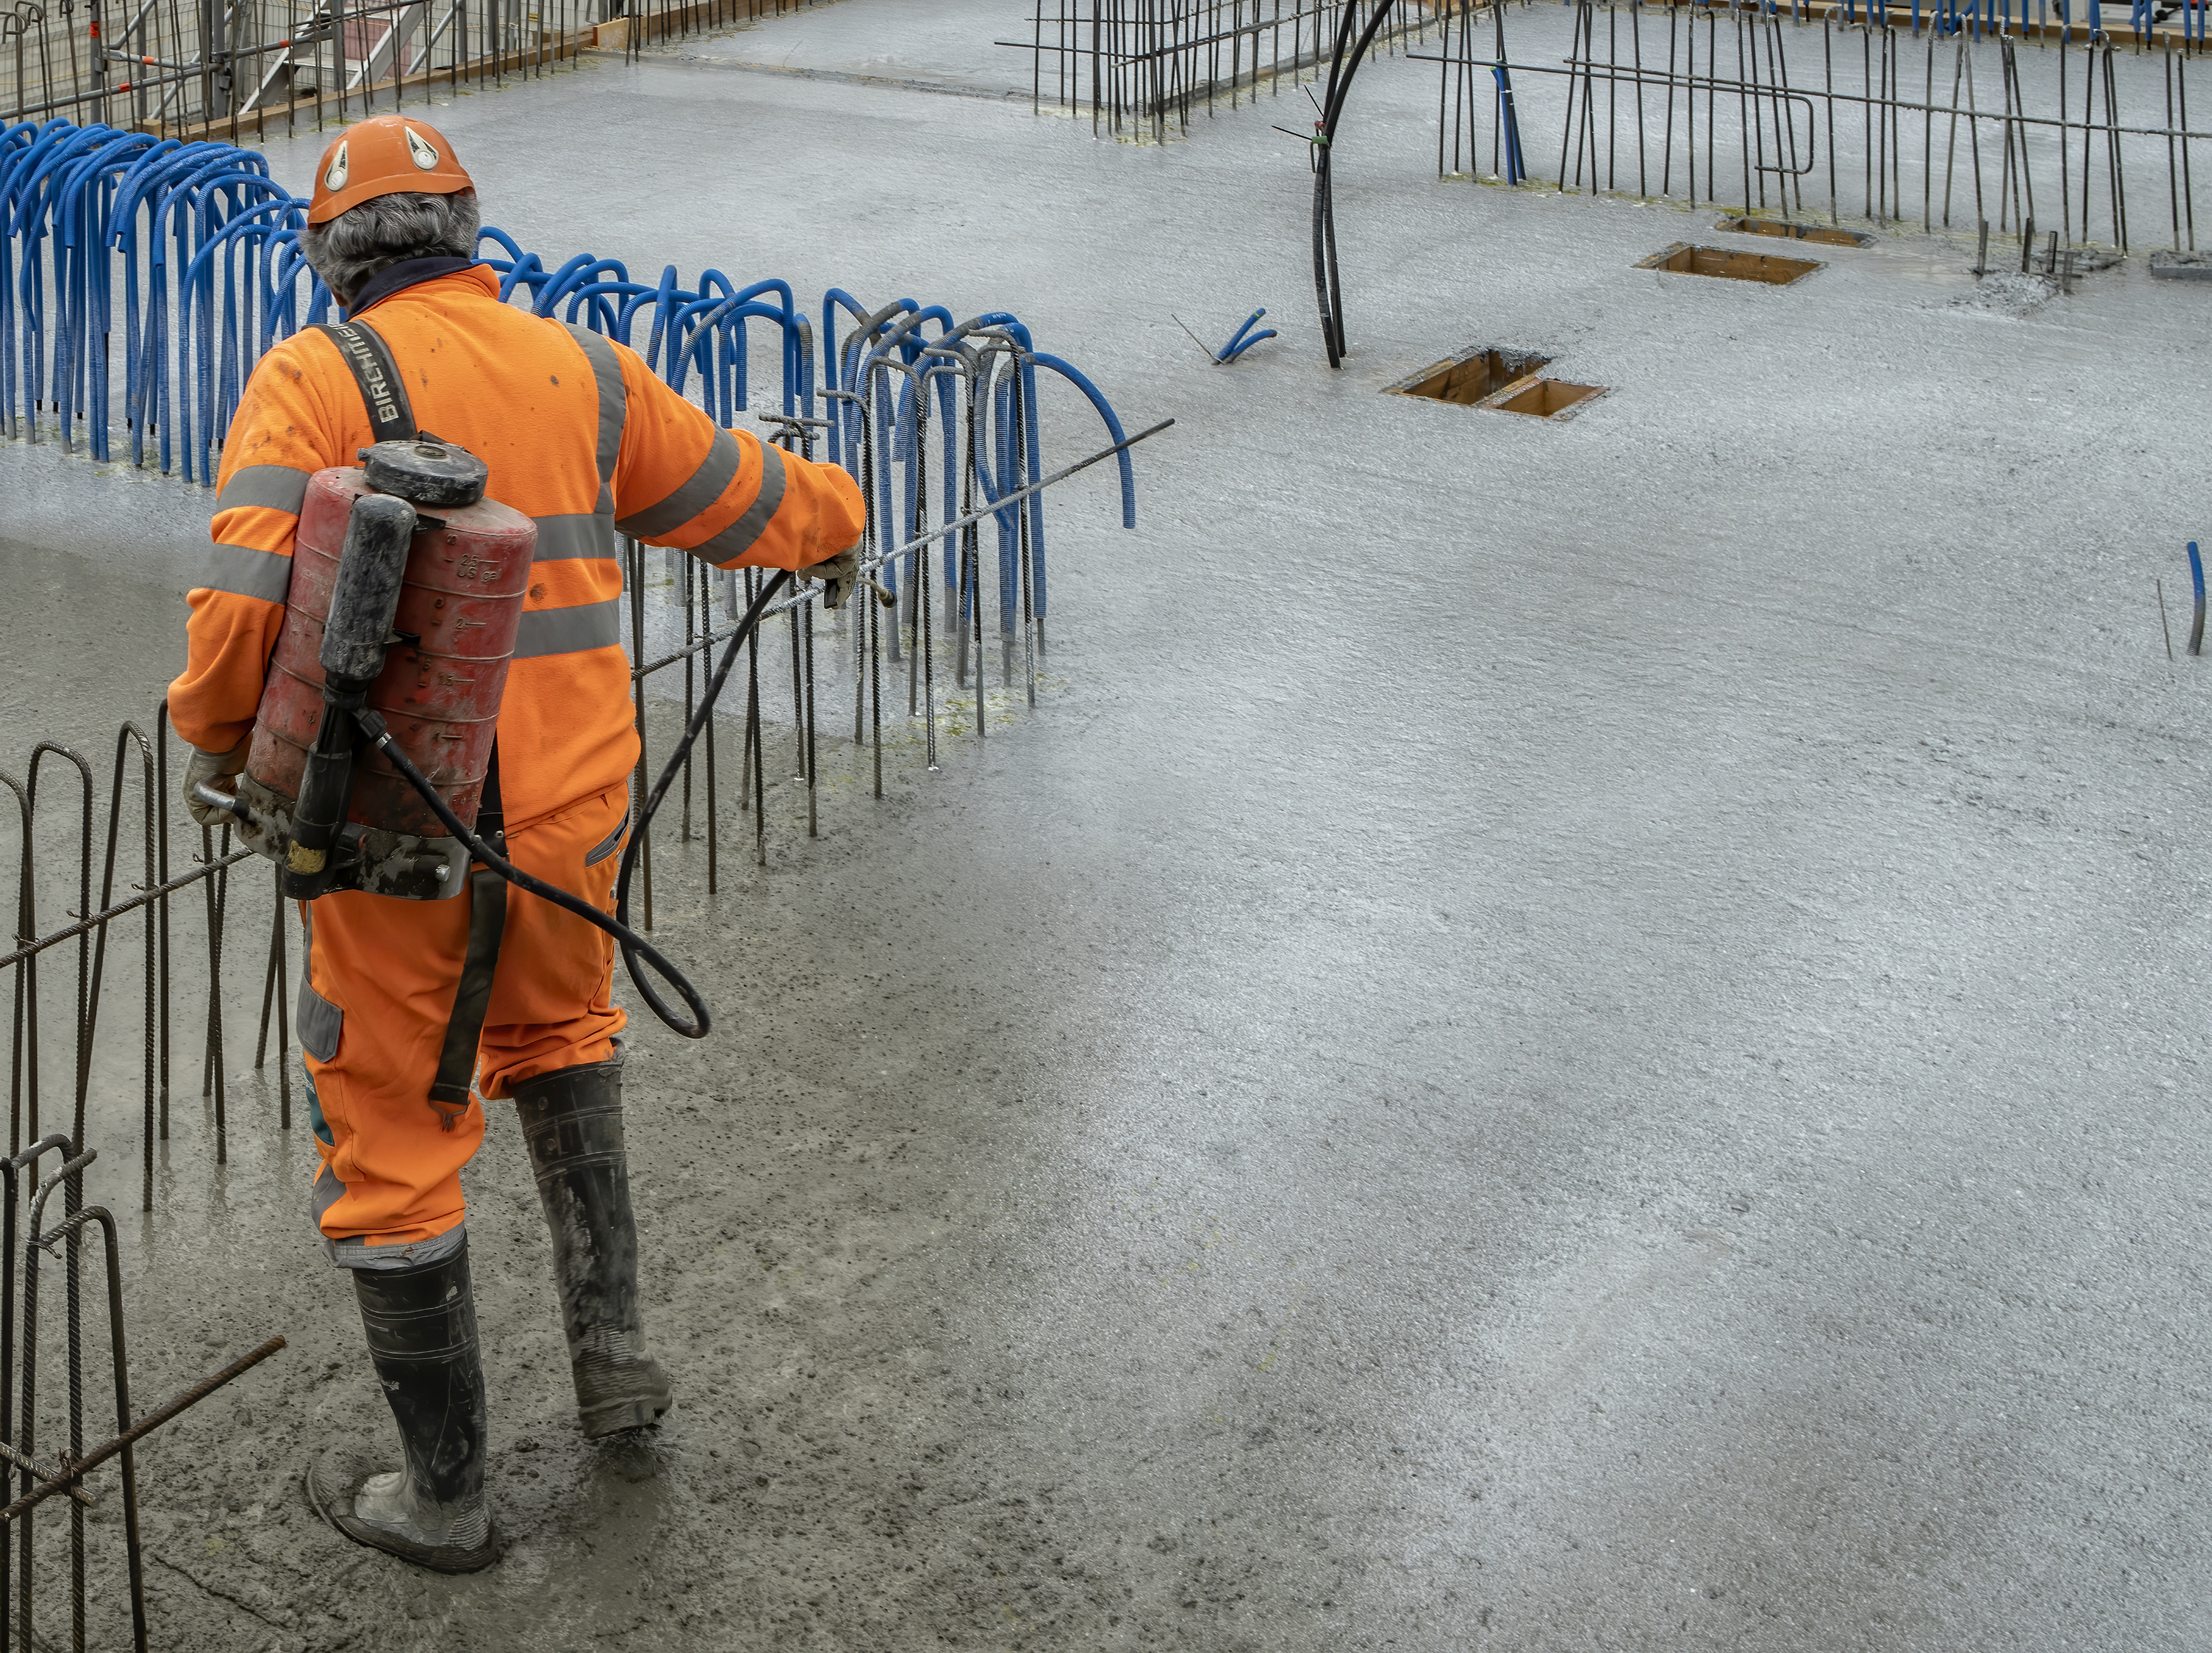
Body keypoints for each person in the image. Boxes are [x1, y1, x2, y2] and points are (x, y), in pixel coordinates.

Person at [166, 113, 865, 1573]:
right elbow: (735, 497)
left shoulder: (311, 381)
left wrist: (219, 747)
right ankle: (614, 1372)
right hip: (572, 828)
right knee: (558, 1038)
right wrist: (833, 511)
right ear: (468, 236)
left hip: (396, 847)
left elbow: (238, 620)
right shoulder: (582, 369)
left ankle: (448, 1500)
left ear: (329, 256)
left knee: (395, 1146)